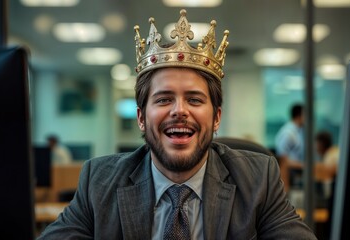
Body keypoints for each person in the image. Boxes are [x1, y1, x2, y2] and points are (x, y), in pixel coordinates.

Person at [37, 9, 317, 239]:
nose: (179, 111)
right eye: (163, 100)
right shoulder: (98, 181)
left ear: (217, 117)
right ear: (141, 118)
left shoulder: (258, 179)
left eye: (194, 100)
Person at [274, 103, 305, 191]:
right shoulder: (288, 133)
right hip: (288, 176)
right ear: (300, 116)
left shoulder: (298, 131)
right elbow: (282, 161)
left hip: (295, 174)